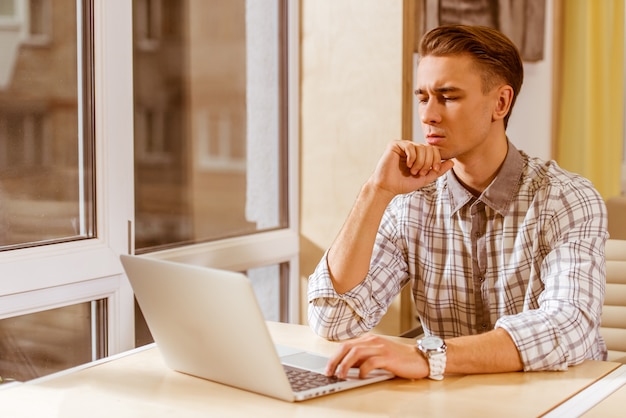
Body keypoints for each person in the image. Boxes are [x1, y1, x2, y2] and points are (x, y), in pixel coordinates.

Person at [307, 24, 607, 381]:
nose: (428, 115)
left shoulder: (566, 198)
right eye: (423, 97)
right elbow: (333, 320)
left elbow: (568, 326)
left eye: (448, 97)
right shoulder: (411, 205)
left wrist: (427, 356)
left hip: (568, 399)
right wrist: (376, 192)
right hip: (457, 401)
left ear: (501, 103)